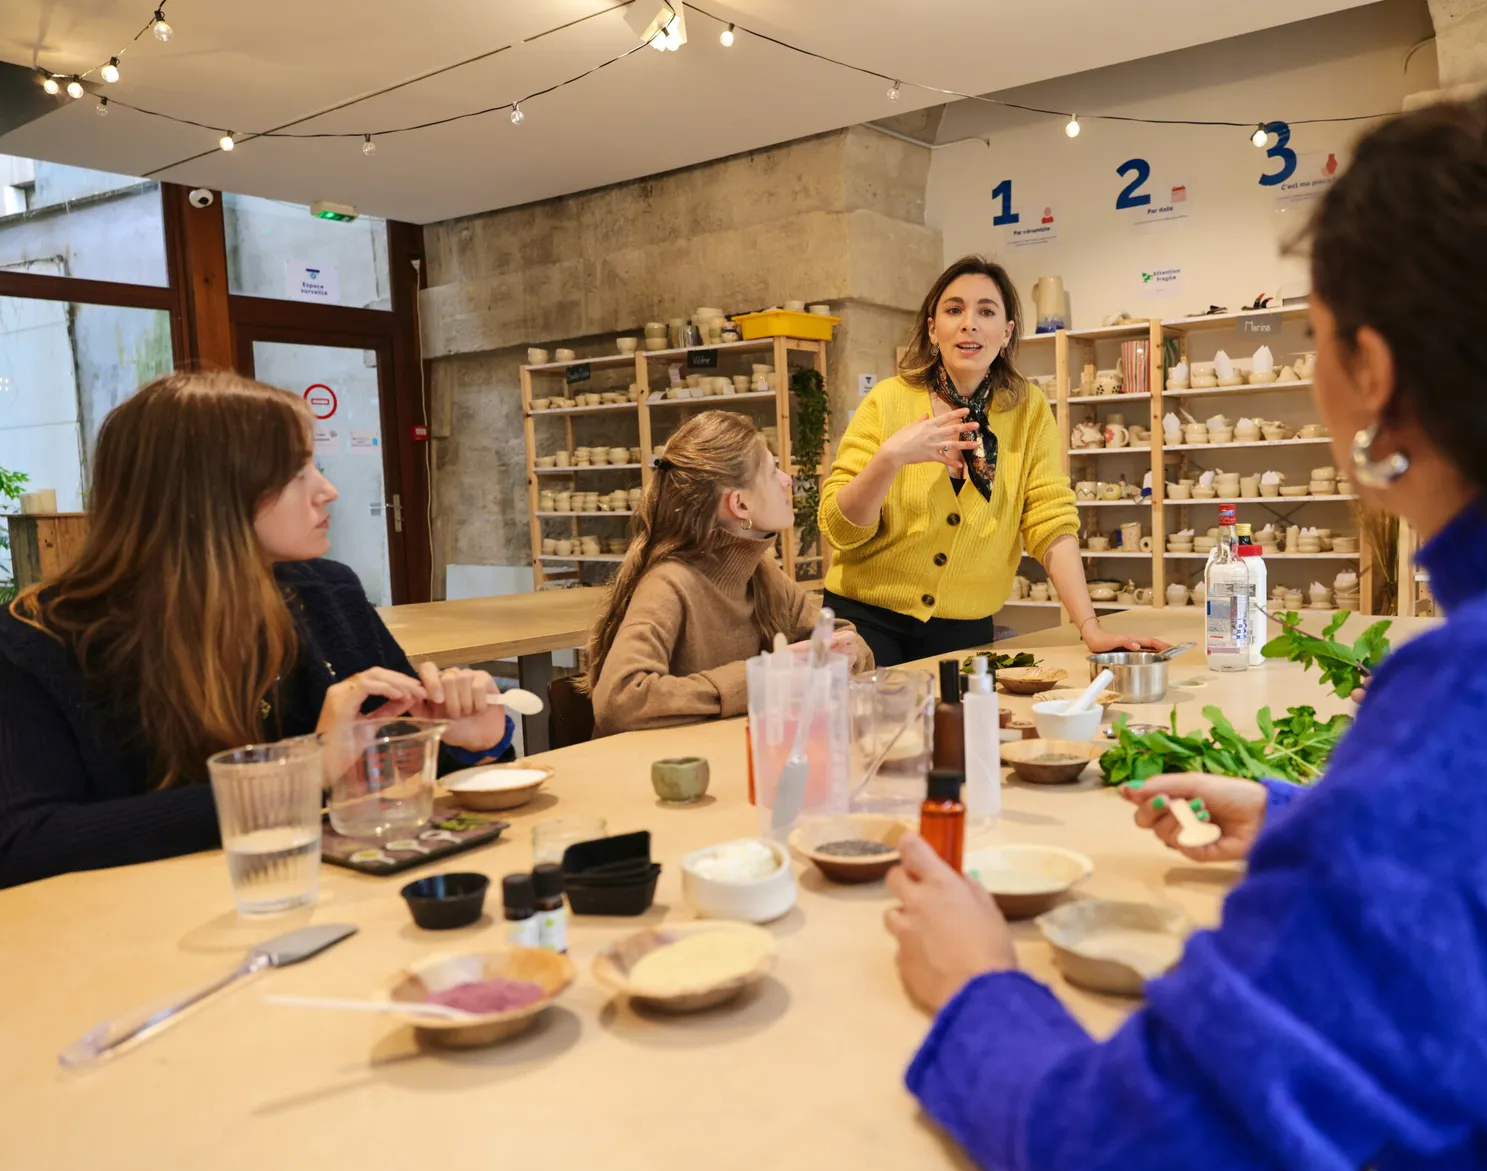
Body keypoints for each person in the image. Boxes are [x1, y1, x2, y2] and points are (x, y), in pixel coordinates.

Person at [881, 70, 1487, 1171]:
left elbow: (1145, 1162)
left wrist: (980, 988)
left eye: (1314, 337)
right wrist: (1319, 827)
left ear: (1373, 372)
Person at [0, 373, 511, 889]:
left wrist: (464, 740)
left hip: (327, 908)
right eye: (295, 473)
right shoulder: (41, 641)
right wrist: (297, 775)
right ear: (204, 494)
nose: (327, 490)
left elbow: (387, 773)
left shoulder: (326, 592)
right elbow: (23, 842)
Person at [819, 256, 1166, 666]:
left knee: (964, 729)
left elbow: (1049, 519)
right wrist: (890, 459)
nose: (970, 323)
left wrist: (1091, 628)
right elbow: (839, 529)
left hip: (964, 630)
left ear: (1006, 332)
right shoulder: (888, 400)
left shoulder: (1028, 409)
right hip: (863, 626)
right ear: (933, 329)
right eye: (954, 310)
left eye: (986, 311)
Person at [583, 410, 872, 736]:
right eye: (771, 470)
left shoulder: (761, 572)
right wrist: (765, 677)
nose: (787, 479)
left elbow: (840, 635)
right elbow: (619, 702)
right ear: (740, 505)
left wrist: (844, 653)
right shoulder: (669, 583)